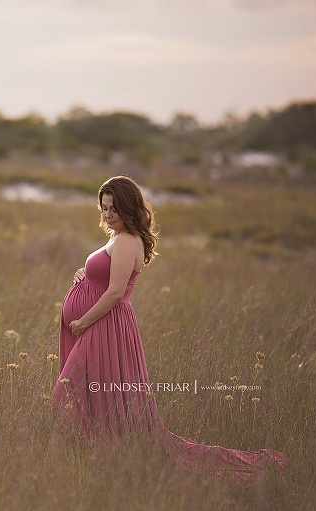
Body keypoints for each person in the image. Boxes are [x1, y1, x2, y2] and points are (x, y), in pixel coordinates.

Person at [51, 175, 288, 485]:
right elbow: (105, 279)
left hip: (102, 327)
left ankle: (109, 456)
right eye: (104, 208)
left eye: (113, 209)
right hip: (101, 327)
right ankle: (105, 458)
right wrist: (86, 275)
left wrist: (82, 321)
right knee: (94, 397)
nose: (107, 215)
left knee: (66, 395)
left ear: (129, 208)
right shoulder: (118, 237)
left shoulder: (125, 240)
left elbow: (115, 293)